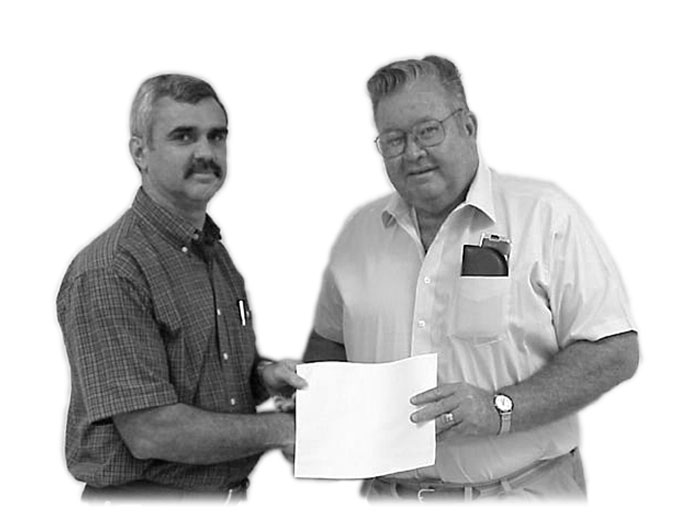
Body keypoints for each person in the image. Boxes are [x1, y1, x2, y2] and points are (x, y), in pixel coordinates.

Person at [303, 56, 638, 501]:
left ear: (468, 125)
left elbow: (614, 349)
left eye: (427, 130)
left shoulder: (544, 215)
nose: (413, 152)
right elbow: (329, 345)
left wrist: (500, 409)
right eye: (394, 139)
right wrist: (306, 403)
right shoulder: (359, 233)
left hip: (519, 499)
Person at [57, 74, 306, 502]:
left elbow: (203, 370)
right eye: (183, 136)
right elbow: (152, 431)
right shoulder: (112, 270)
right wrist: (283, 430)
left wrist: (264, 377)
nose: (206, 153)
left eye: (217, 136)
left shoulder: (211, 252)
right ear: (140, 152)